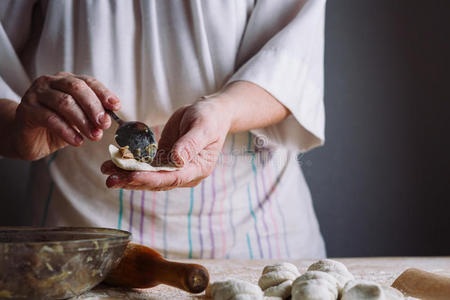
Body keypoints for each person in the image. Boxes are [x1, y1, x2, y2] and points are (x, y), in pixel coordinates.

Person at [0, 0, 326, 259]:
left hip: (254, 237)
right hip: (80, 238)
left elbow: (292, 62)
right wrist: (17, 127)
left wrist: (221, 111)